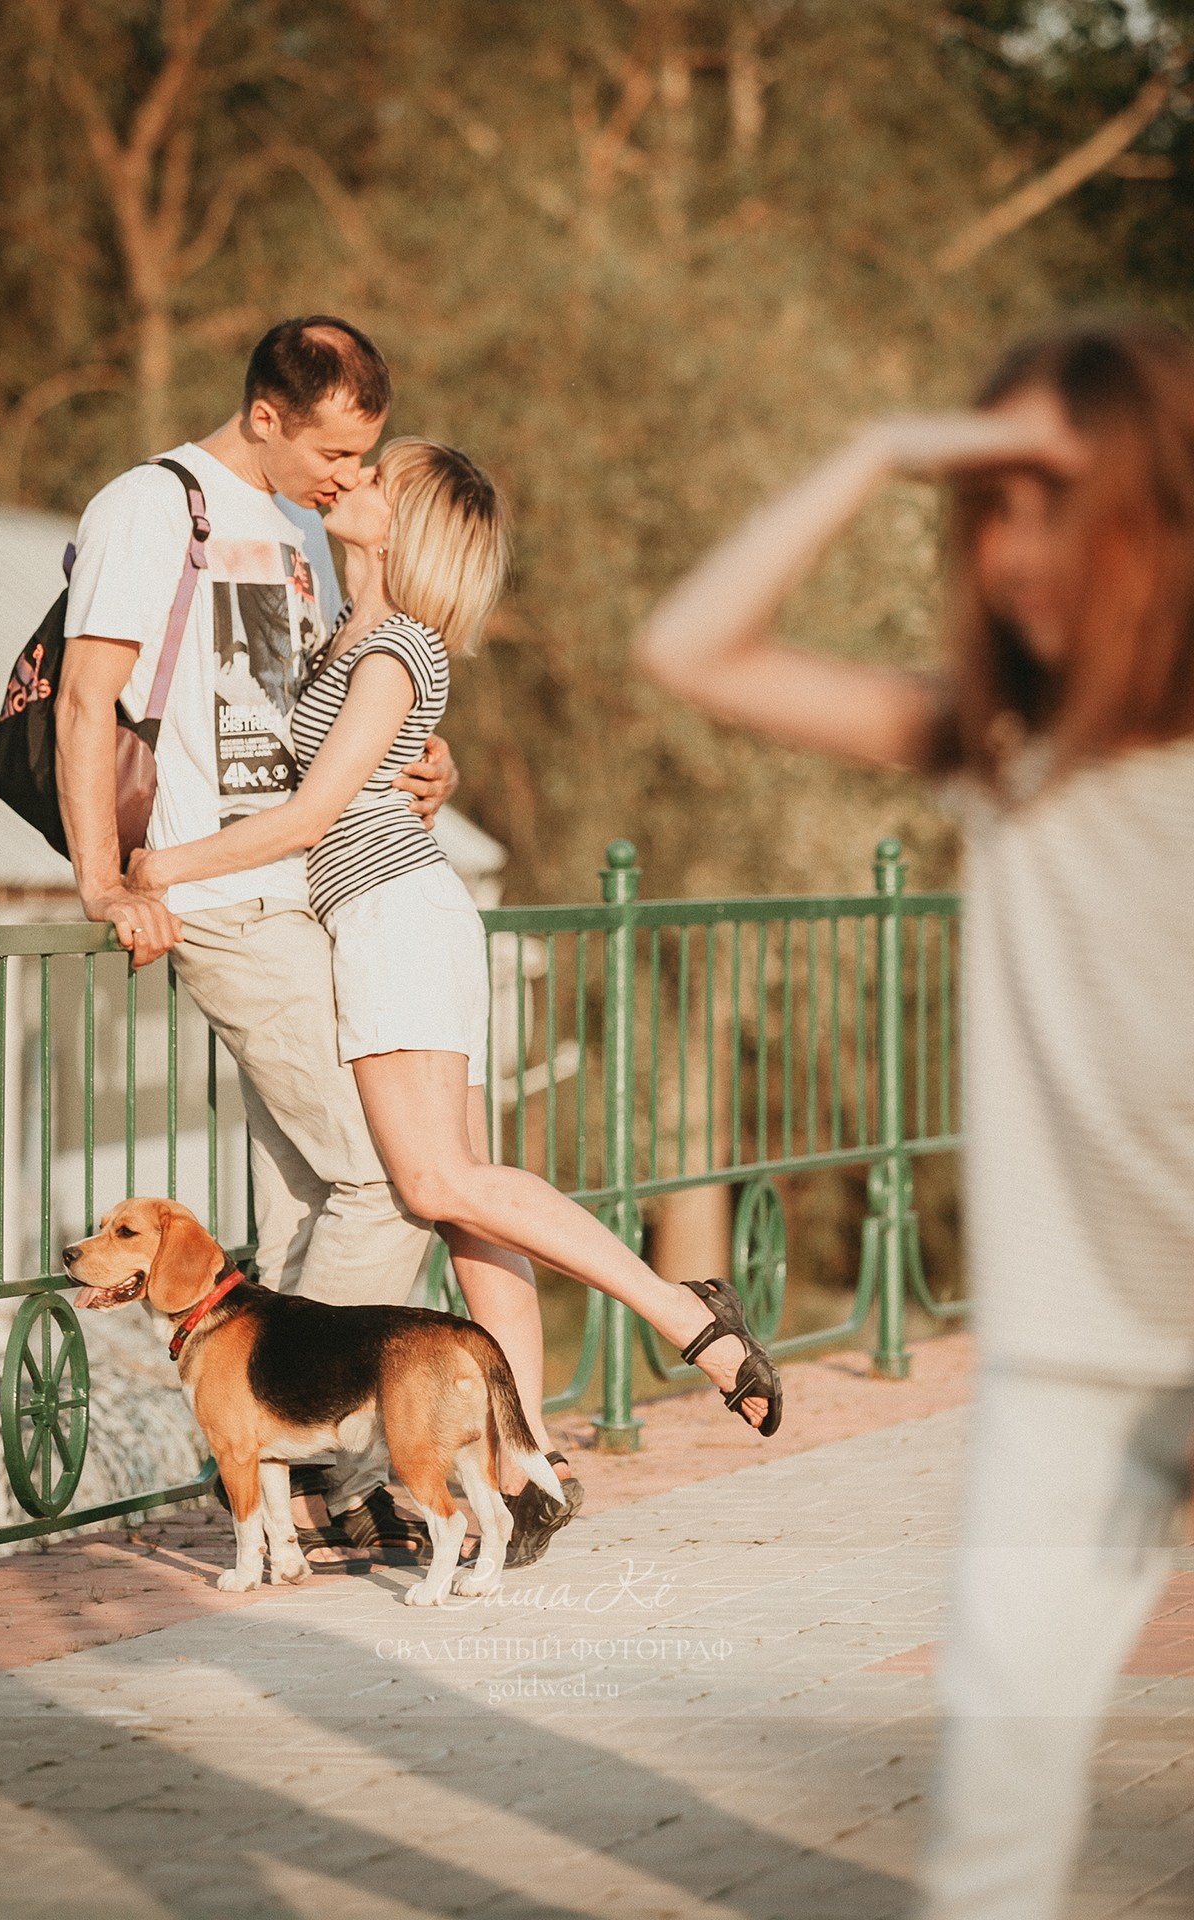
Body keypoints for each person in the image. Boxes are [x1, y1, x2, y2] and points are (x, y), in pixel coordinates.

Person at [636, 313, 1194, 1919]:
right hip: (1075, 1356)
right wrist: (888, 451)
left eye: (1054, 495)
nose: (1015, 545)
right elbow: (694, 651)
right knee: (992, 1832)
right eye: (989, 501)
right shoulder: (995, 746)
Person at [125, 435, 785, 1544]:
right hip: (392, 915)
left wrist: (158, 868)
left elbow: (311, 816)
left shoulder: (393, 649)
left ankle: (686, 1315)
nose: (354, 481)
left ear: (406, 524)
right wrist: (438, 768)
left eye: (377, 478)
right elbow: (379, 767)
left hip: (393, 916)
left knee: (437, 1182)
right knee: (468, 1195)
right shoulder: (357, 634)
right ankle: (524, 1464)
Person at [55, 316, 457, 1561]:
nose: (351, 478)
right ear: (270, 415)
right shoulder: (152, 505)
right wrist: (101, 881)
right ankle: (334, 1451)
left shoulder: (294, 531)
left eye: (366, 455)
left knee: (300, 1195)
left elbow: (324, 709)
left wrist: (423, 761)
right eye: (336, 451)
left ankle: (287, 1502)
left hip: (309, 886)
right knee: (382, 1174)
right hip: (224, 903)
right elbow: (86, 694)